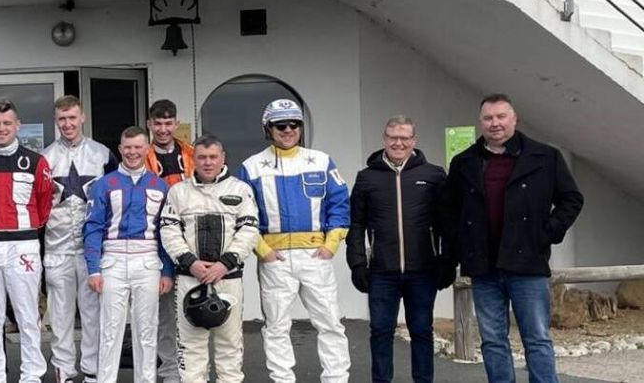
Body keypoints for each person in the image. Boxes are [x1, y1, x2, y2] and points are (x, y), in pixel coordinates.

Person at [442, 94, 584, 383]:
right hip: (484, 268)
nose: (495, 123)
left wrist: (546, 234)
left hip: (528, 265)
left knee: (537, 339)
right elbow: (448, 210)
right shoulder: (464, 162)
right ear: (480, 122)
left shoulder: (545, 157)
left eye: (501, 116)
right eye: (488, 118)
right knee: (493, 341)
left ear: (514, 119)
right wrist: (462, 246)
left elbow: (571, 199)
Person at [237, 98, 350, 383]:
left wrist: (330, 246)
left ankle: (336, 379)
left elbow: (340, 205)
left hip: (315, 256)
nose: (288, 130)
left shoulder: (322, 160)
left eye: (294, 124)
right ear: (267, 128)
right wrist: (263, 251)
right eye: (280, 125)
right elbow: (242, 215)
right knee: (276, 327)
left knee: (331, 324)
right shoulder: (251, 167)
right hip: (275, 260)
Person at [347, 115, 451, 383]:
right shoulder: (367, 177)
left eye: (404, 138)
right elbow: (356, 224)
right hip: (382, 271)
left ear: (413, 141)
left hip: (423, 270)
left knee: (421, 331)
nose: (398, 143)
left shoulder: (434, 175)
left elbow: (448, 223)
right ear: (384, 139)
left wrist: (447, 260)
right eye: (393, 137)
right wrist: (357, 263)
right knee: (380, 331)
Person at [159, 135, 260, 383]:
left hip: (228, 278)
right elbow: (168, 230)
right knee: (191, 349)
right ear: (193, 159)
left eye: (213, 157)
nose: (207, 162)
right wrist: (190, 262)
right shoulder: (178, 192)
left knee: (229, 347)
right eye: (202, 157)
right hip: (190, 278)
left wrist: (224, 264)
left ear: (223, 158)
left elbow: (250, 230)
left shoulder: (240, 189)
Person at [0, 98, 53, 383]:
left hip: (23, 245)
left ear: (18, 125)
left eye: (7, 123)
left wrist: (26, 232)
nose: (2, 128)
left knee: (28, 315)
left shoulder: (35, 161)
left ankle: (32, 375)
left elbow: (44, 205)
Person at [84, 126, 173, 383]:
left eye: (138, 147)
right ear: (120, 149)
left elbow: (165, 233)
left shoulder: (160, 185)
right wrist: (94, 268)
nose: (133, 152)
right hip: (111, 261)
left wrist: (166, 271)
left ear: (147, 149)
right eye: (128, 147)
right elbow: (92, 228)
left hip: (148, 261)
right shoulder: (104, 184)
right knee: (110, 330)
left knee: (147, 331)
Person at [42, 95, 110, 383]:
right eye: (62, 119)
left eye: (72, 118)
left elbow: (113, 200)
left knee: (94, 314)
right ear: (56, 121)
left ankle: (93, 372)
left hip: (92, 250)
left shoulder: (103, 154)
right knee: (60, 316)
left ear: (82, 117)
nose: (67, 124)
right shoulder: (44, 158)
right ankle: (64, 373)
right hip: (56, 248)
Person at [140, 99, 191, 383]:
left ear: (176, 123)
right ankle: (170, 373)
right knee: (163, 318)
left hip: (192, 244)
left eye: (167, 123)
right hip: (155, 243)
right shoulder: (140, 155)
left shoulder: (193, 154)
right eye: (157, 123)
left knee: (195, 314)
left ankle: (192, 372)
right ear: (149, 124)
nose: (162, 129)